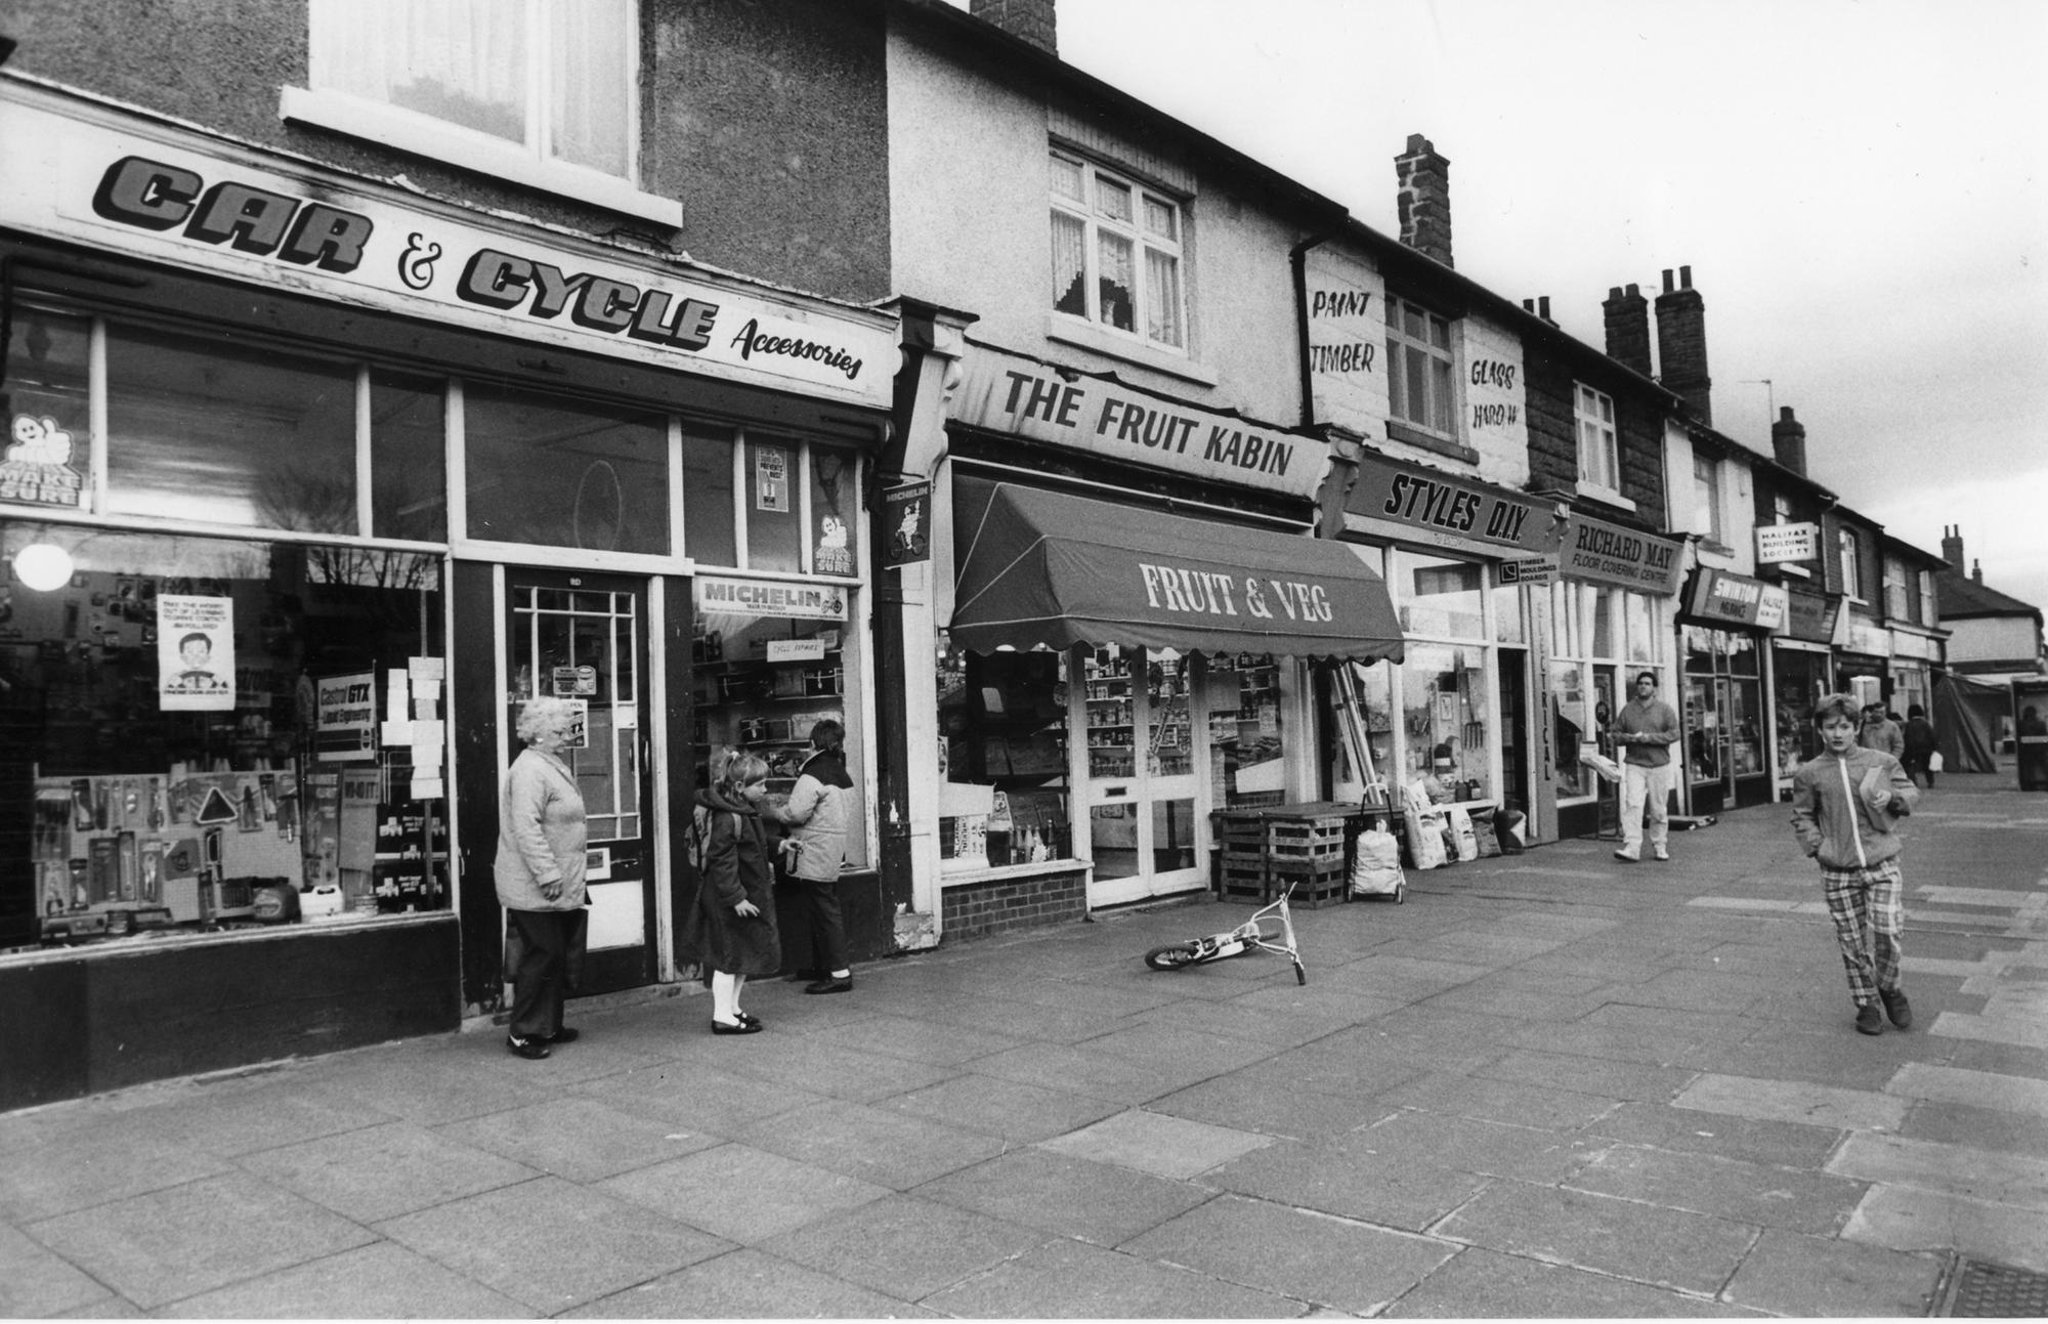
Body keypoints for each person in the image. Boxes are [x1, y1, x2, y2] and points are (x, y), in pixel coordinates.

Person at [1791, 692, 1920, 1035]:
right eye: (1830, 727)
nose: (1838, 734)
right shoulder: (1809, 773)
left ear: (1856, 727)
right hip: (1838, 869)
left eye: (1845, 726)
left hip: (1882, 861)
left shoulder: (1880, 762)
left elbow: (1909, 794)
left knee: (1889, 929)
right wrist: (1819, 847)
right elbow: (1802, 816)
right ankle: (1866, 1004)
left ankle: (1890, 987)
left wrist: (1893, 798)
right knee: (1851, 941)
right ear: (1820, 730)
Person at [494, 697, 588, 1061]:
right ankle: (523, 1032)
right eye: (560, 731)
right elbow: (526, 827)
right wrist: (548, 873)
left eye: (568, 729)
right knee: (543, 953)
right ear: (536, 734)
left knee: (555, 953)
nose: (567, 736)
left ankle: (547, 1024)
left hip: (558, 878)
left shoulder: (550, 763)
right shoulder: (531, 769)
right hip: (535, 881)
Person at [684, 750, 781, 1034]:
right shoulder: (730, 817)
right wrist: (736, 897)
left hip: (743, 897)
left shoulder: (743, 811)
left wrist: (779, 846)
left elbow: (753, 846)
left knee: (740, 957)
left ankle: (733, 1009)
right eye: (760, 784)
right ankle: (722, 1016)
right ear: (740, 787)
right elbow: (721, 861)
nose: (765, 789)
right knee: (728, 959)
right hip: (731, 900)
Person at [766, 719, 855, 995]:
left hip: (812, 848)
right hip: (831, 848)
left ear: (812, 743)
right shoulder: (842, 773)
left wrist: (774, 810)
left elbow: (796, 814)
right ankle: (824, 967)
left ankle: (839, 973)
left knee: (825, 910)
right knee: (822, 908)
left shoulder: (812, 774)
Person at [1609, 670, 1680, 862]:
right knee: (1633, 804)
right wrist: (1628, 738)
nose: (1643, 686)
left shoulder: (1664, 710)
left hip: (1659, 765)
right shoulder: (1628, 709)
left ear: (1654, 688)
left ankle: (1659, 845)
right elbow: (1615, 734)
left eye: (1647, 683)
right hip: (1635, 764)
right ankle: (1632, 847)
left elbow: (1674, 733)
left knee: (1658, 808)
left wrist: (1650, 738)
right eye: (1640, 683)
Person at [1901, 704, 1939, 789]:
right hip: (1927, 749)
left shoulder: (1909, 724)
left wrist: (1908, 749)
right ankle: (1930, 781)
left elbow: (1908, 737)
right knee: (1927, 766)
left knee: (1910, 765)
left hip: (1913, 749)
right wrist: (1934, 748)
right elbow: (1932, 736)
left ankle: (1913, 781)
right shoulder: (1925, 724)